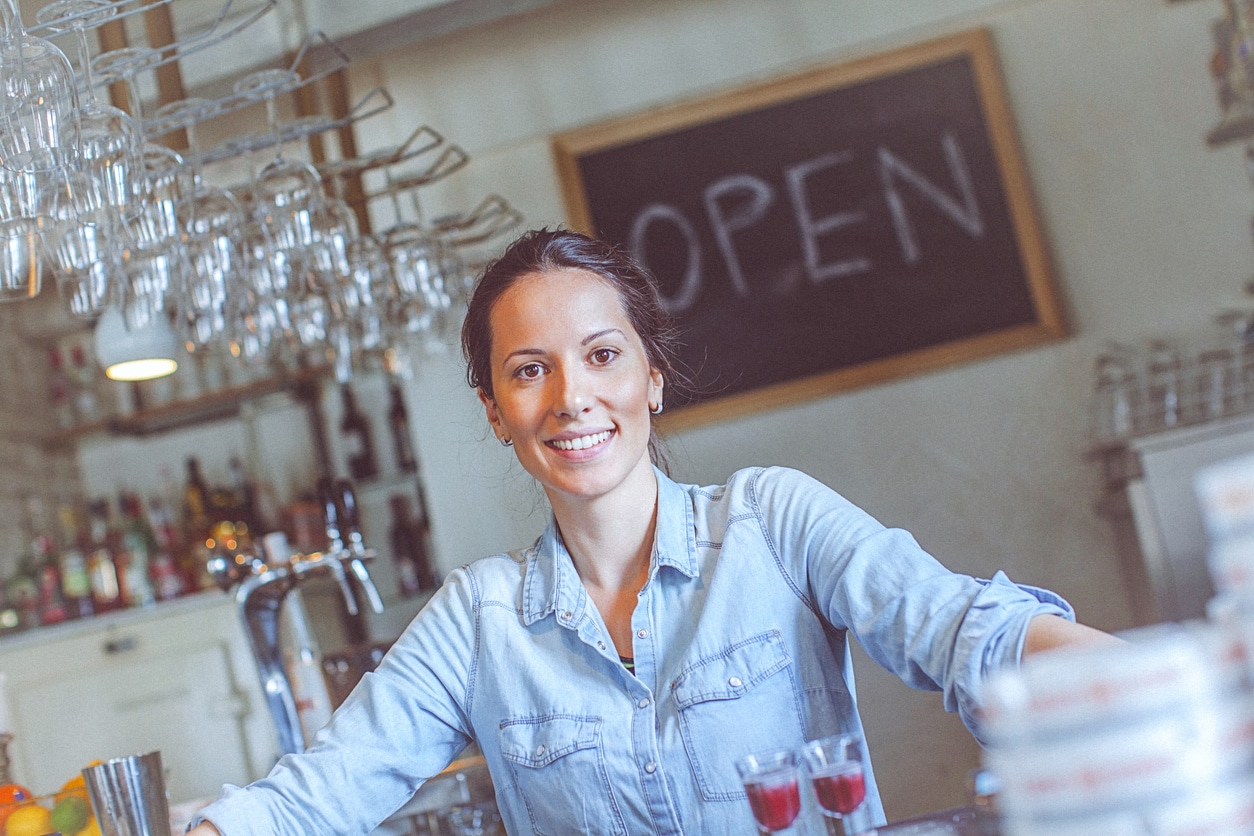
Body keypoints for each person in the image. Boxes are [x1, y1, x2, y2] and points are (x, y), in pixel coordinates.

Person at [189, 228, 1112, 835]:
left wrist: (1151, 686)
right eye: (528, 371)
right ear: (495, 410)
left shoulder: (771, 522)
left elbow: (959, 631)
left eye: (601, 355)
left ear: (652, 377)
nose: (571, 398)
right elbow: (317, 796)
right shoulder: (478, 621)